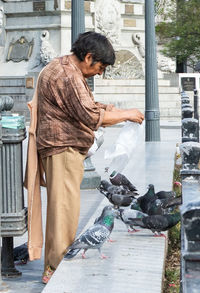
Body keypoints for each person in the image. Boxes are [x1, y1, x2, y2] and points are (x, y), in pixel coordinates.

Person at [24, 31, 144, 284]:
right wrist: (126, 115)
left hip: (60, 147)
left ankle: (55, 265)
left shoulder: (64, 68)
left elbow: (84, 106)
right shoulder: (68, 75)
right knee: (64, 210)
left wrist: (113, 111)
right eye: (100, 67)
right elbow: (89, 116)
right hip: (62, 148)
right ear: (88, 57)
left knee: (63, 207)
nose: (100, 73)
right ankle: (55, 268)